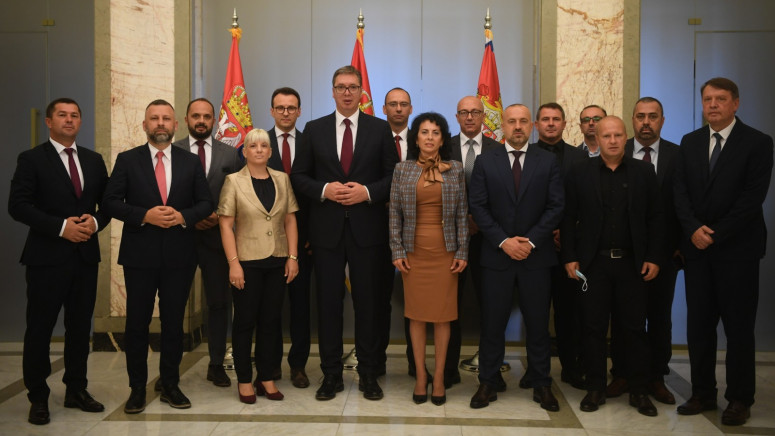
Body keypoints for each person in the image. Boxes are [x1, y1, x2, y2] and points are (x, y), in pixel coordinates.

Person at [291, 65, 399, 401]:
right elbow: (299, 176)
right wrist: (325, 189)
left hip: (368, 231)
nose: (347, 92)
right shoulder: (314, 129)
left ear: (362, 91)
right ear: (333, 91)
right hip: (327, 233)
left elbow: (393, 176)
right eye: (341, 87)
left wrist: (366, 192)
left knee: (368, 304)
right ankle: (331, 375)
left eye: (353, 87)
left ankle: (368, 373)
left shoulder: (380, 129)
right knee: (328, 304)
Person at [673, 77, 774, 426]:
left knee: (738, 328)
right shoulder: (690, 142)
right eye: (708, 99)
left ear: (736, 103)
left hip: (737, 252)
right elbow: (679, 192)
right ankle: (702, 392)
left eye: (720, 99)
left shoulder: (758, 142)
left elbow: (752, 198)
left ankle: (739, 399)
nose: (713, 105)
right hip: (697, 251)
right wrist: (692, 229)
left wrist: (714, 234)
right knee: (699, 326)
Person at [102, 99, 212, 414]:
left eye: (166, 118)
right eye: (154, 118)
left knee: (173, 324)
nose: (160, 123)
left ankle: (170, 384)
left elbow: (206, 203)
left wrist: (182, 216)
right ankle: (137, 388)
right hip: (139, 256)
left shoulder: (190, 162)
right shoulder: (128, 160)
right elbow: (110, 202)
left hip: (180, 255)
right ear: (144, 125)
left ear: (176, 125)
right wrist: (144, 215)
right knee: (137, 324)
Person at [9, 98, 110, 425]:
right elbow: (18, 205)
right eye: (62, 115)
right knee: (40, 329)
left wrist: (95, 222)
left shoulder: (93, 160)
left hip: (85, 257)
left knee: (79, 329)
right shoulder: (31, 159)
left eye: (74, 115)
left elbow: (108, 204)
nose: (69, 120)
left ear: (80, 121)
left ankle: (76, 389)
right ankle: (38, 396)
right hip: (46, 259)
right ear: (49, 122)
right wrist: (61, 227)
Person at [561, 116, 663, 417]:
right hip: (593, 264)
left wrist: (654, 257)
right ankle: (595, 388)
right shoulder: (579, 172)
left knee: (634, 328)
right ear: (598, 138)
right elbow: (568, 217)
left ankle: (639, 390)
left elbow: (656, 218)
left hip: (633, 263)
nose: (613, 141)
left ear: (626, 137)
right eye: (607, 136)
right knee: (592, 327)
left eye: (618, 135)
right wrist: (569, 256)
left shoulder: (644, 172)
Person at [468, 104, 564, 411]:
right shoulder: (486, 160)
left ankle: (541, 382)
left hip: (536, 258)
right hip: (497, 256)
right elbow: (478, 206)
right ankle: (488, 381)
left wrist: (531, 242)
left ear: (532, 125)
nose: (518, 126)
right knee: (492, 323)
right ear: (503, 126)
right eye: (512, 121)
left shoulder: (547, 161)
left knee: (537, 323)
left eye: (523, 121)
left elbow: (556, 206)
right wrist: (504, 241)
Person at [389, 112, 468, 406]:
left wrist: (462, 251)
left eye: (436, 132)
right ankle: (421, 377)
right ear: (416, 138)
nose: (430, 137)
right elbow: (394, 213)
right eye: (424, 132)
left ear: (442, 139)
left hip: (446, 253)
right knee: (417, 316)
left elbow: (462, 214)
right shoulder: (402, 169)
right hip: (413, 253)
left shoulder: (455, 169)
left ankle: (440, 378)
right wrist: (397, 251)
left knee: (444, 317)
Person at [606, 97, 681, 405]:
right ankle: (622, 373)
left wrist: (676, 248)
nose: (646, 122)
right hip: (626, 256)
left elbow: (682, 204)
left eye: (652, 116)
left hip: (665, 254)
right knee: (623, 318)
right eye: (640, 116)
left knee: (660, 318)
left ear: (662, 120)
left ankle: (656, 377)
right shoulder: (617, 153)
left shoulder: (679, 155)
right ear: (632, 120)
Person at [218, 128, 299, 404]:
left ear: (270, 151)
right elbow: (226, 225)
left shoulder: (282, 179)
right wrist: (233, 264)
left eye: (264, 145)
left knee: (270, 322)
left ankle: (266, 378)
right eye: (253, 146)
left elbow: (290, 220)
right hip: (247, 263)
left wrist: (293, 257)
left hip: (277, 260)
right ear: (245, 151)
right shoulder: (233, 181)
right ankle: (244, 380)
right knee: (244, 322)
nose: (259, 150)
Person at [172, 98, 242, 389]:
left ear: (215, 121)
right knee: (175, 304)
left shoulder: (231, 153)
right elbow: (166, 191)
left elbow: (240, 191)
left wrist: (220, 215)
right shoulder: (172, 150)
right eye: (196, 116)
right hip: (181, 237)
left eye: (207, 116)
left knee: (218, 303)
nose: (201, 121)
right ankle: (170, 371)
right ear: (186, 119)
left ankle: (216, 364)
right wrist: (192, 216)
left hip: (217, 238)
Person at [445, 96, 501, 388]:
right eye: (464, 112)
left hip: (486, 240)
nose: (469, 117)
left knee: (489, 304)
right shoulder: (443, 148)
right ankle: (448, 369)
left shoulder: (498, 149)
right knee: (449, 306)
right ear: (456, 117)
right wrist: (461, 220)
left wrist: (480, 220)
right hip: (450, 240)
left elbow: (504, 194)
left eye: (475, 112)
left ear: (483, 116)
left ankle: (489, 368)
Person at [532, 102, 588, 391]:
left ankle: (571, 367)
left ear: (565, 124)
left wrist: (567, 233)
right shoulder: (525, 154)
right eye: (545, 119)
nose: (551, 123)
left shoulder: (580, 158)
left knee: (569, 313)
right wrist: (544, 232)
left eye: (556, 119)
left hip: (569, 249)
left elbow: (585, 201)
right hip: (535, 247)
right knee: (536, 313)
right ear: (536, 125)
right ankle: (535, 370)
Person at [263, 87, 312, 389]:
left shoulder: (312, 142)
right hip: (266, 242)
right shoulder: (258, 143)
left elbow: (315, 194)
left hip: (304, 242)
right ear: (271, 111)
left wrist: (310, 236)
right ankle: (270, 364)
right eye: (280, 108)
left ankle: (298, 366)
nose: (285, 112)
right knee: (269, 308)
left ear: (299, 111)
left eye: (291, 108)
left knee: (300, 307)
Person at [381, 87, 414, 377]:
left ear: (411, 109)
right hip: (379, 229)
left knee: (415, 299)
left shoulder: (423, 140)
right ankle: (376, 360)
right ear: (384, 109)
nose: (398, 109)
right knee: (379, 298)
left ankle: (416, 362)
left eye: (404, 104)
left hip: (417, 231)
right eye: (393, 104)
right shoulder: (373, 138)